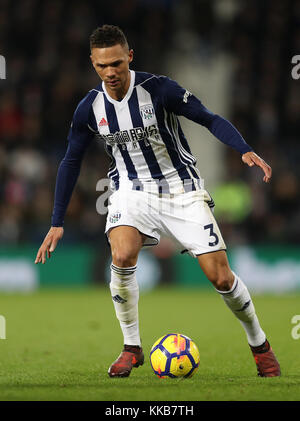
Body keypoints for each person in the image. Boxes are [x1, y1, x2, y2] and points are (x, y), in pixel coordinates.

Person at [35, 24, 280, 378]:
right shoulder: (90, 108)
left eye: (117, 63)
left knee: (221, 278)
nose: (111, 72)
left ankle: (260, 344)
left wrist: (243, 149)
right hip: (130, 190)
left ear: (129, 57)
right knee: (120, 254)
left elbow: (208, 118)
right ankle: (131, 347)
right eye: (102, 66)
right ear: (93, 64)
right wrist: (57, 221)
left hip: (181, 189)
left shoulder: (159, 89)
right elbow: (71, 160)